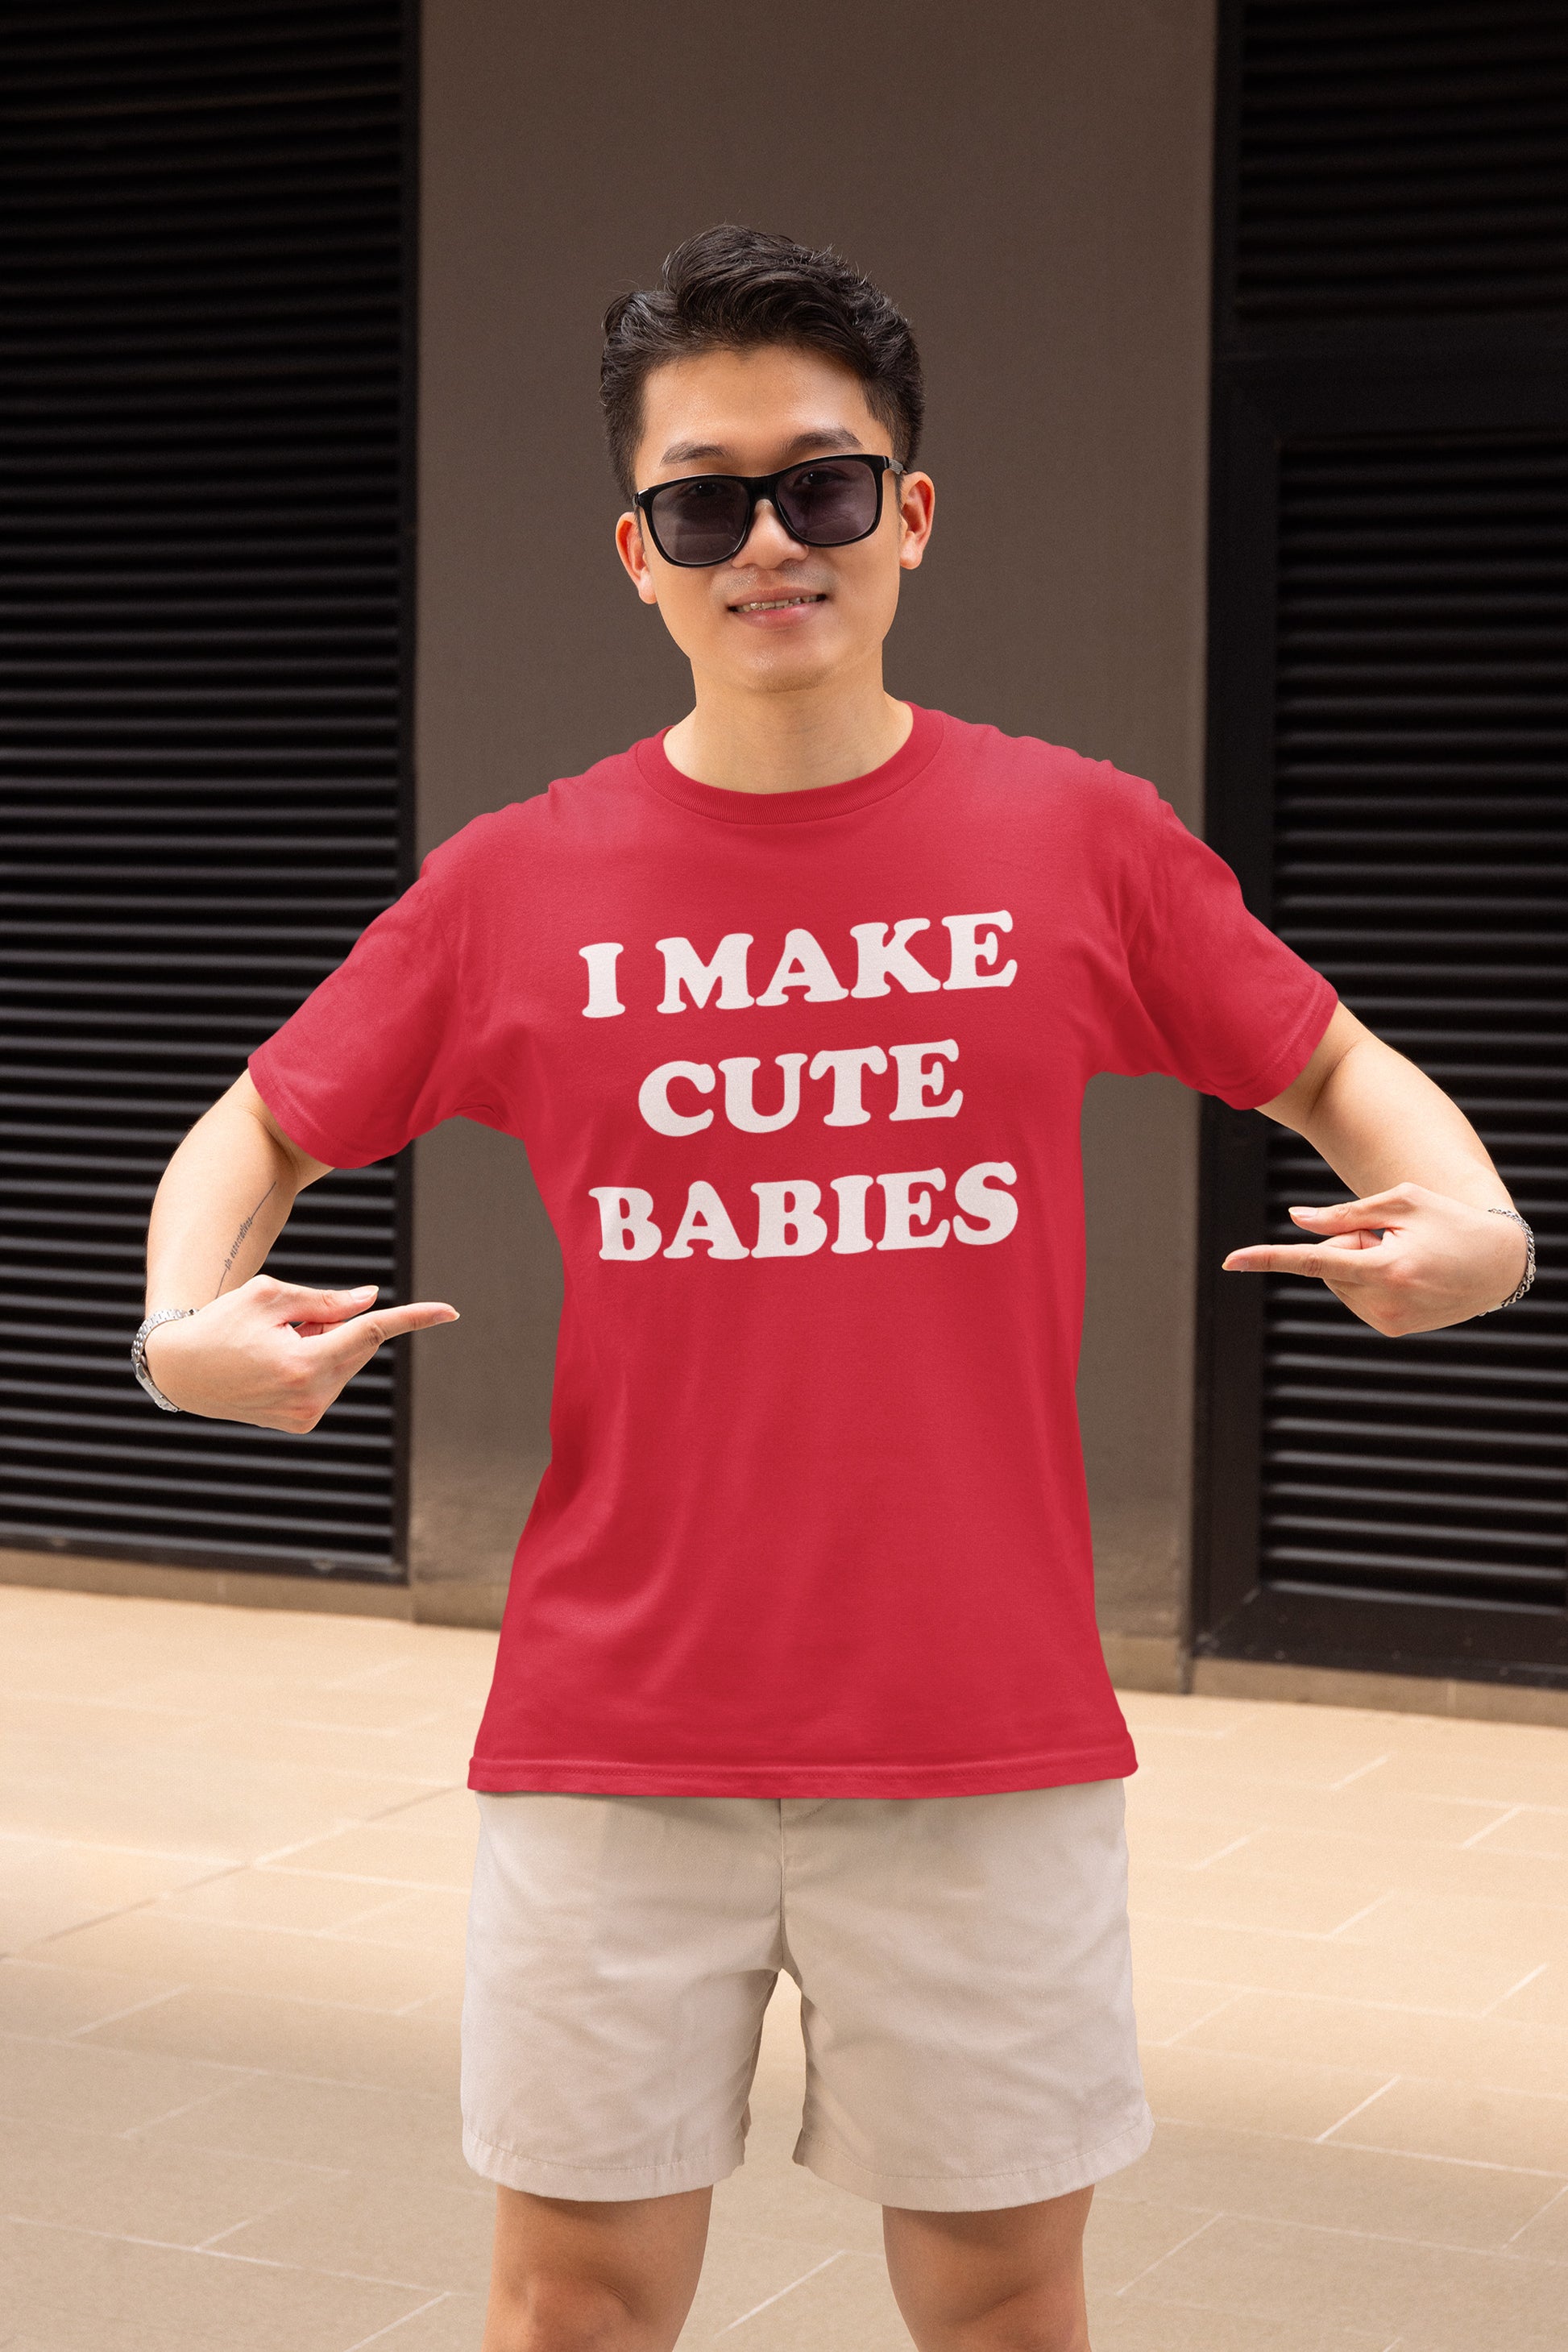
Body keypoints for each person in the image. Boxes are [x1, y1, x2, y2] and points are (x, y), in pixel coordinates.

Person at [136, 226, 1533, 2352]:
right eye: (706, 503)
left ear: (911, 510)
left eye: (823, 483)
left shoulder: (1075, 838)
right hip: (615, 1731)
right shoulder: (516, 881)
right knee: (573, 2300)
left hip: (984, 1725)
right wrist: (181, 1334)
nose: (770, 542)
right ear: (638, 553)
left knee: (1001, 2303)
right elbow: (253, 1126)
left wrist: (1478, 1225)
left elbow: (1331, 1065)